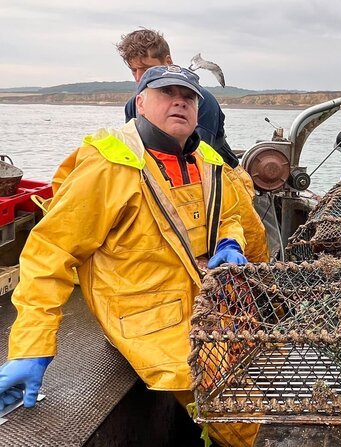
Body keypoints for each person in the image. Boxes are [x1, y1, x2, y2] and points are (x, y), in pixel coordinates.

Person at [0, 65, 257, 447]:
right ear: (140, 102)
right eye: (167, 93)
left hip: (212, 304)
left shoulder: (208, 159)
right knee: (246, 418)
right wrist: (31, 347)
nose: (179, 102)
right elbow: (49, 253)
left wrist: (229, 242)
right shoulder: (108, 166)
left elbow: (232, 215)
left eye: (188, 97)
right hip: (149, 320)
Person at [117, 28, 268, 263]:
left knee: (251, 248)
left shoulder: (201, 102)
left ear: (168, 61)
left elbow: (199, 158)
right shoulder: (132, 107)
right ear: (140, 104)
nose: (138, 78)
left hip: (223, 179)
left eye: (145, 69)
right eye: (133, 70)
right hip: (163, 180)